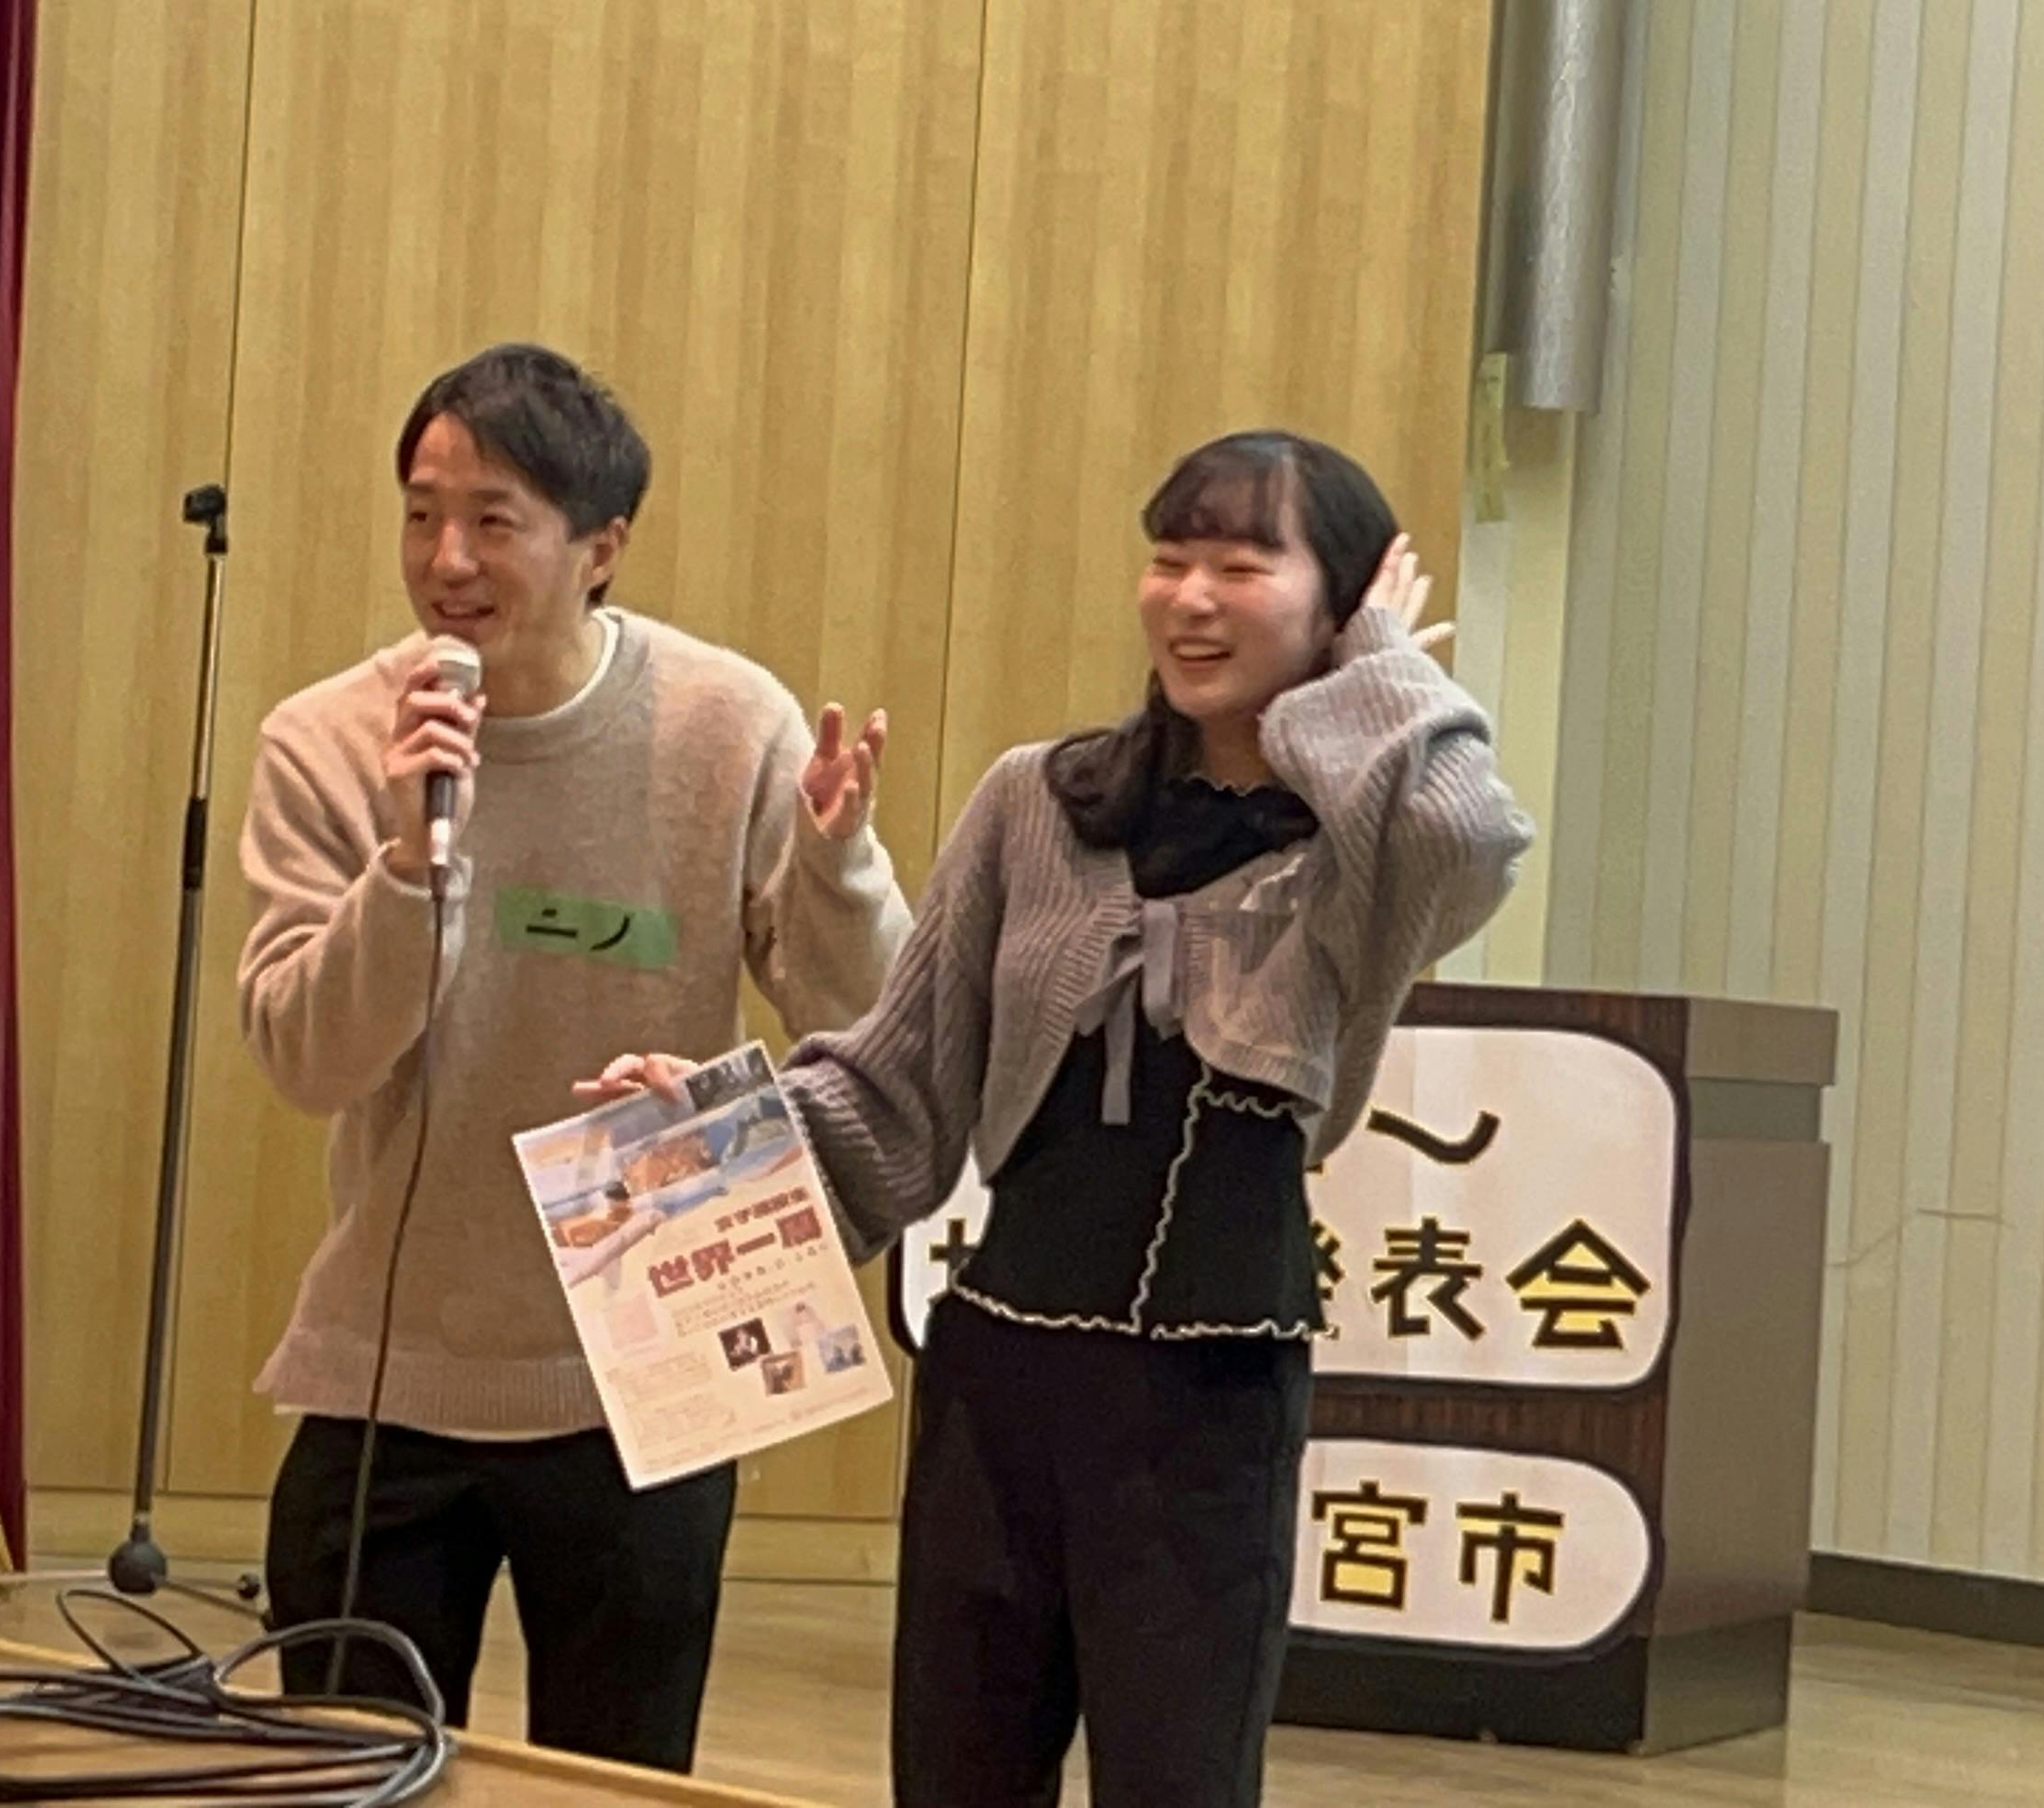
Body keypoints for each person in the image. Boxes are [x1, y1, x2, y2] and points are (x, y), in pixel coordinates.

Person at [588, 430, 1534, 1806]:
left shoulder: (1364, 845)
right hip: (997, 1381)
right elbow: (899, 1080)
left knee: (1178, 1783)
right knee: (957, 1778)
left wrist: (1381, 668)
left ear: (1340, 607)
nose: (1190, 598)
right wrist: (713, 1132)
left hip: (1213, 1405)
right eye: (1170, 559)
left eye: (1242, 566)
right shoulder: (1037, 800)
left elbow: (1471, 836)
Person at [234, 342, 911, 1771]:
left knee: (618, 1777)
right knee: (350, 1777)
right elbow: (305, 1060)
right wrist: (410, 866)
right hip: (387, 1374)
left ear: (602, 547)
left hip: (644, 1374)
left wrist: (838, 868)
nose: (447, 560)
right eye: (422, 514)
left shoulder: (728, 723)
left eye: (494, 520)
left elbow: (870, 1027)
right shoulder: (329, 740)